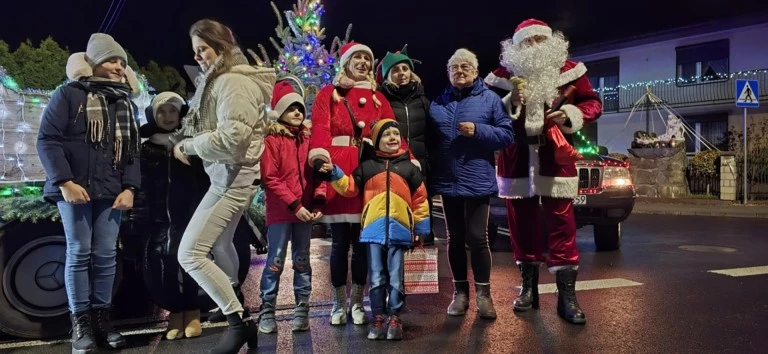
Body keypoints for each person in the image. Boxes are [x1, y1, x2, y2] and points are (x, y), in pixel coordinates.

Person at [174, 19, 275, 353]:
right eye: (196, 51)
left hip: (231, 181)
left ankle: (238, 321)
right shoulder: (221, 79)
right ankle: (240, 315)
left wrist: (189, 145)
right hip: (227, 177)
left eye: (203, 49)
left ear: (220, 46)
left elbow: (233, 139)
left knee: (190, 253)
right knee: (219, 244)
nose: (200, 56)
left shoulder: (231, 81)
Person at [37, 33, 140, 353]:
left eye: (122, 62)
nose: (119, 67)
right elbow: (48, 140)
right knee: (79, 252)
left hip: (111, 191)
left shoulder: (124, 102)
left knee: (106, 255)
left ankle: (102, 320)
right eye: (112, 60)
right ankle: (80, 323)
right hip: (74, 189)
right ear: (94, 63)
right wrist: (65, 182)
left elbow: (132, 152)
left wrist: (130, 187)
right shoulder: (68, 95)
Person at [494, 18, 602, 325]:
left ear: (550, 43)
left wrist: (569, 113)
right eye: (527, 42)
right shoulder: (503, 75)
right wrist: (508, 102)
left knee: (562, 226)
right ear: (516, 48)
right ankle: (529, 289)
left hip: (555, 154)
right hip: (516, 156)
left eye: (539, 40)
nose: (534, 47)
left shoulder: (571, 71)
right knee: (521, 224)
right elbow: (487, 108)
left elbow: (593, 103)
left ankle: (567, 297)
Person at [307, 41, 399, 326]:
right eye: (356, 57)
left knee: (361, 243)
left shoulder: (378, 98)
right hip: (337, 169)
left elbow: (390, 129)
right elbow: (321, 127)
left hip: (366, 170)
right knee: (338, 242)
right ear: (345, 62)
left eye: (366, 58)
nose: (362, 62)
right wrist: (320, 158)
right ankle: (337, 304)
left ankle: (357, 303)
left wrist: (405, 158)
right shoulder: (329, 94)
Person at [323, 118, 430, 340]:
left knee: (396, 278)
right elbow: (350, 188)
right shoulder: (367, 167)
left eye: (395, 134)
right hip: (373, 231)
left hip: (400, 232)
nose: (392, 138)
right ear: (376, 141)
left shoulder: (409, 168)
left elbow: (420, 200)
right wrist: (335, 172)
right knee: (377, 277)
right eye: (386, 135)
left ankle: (395, 317)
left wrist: (420, 228)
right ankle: (378, 316)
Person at [429, 48, 515, 320]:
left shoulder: (490, 100)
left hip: (477, 179)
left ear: (476, 71)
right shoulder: (438, 103)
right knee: (454, 239)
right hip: (448, 181)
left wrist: (479, 131)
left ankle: (484, 295)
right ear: (448, 73)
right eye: (455, 68)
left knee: (478, 238)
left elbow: (506, 135)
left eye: (466, 67)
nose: (460, 71)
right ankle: (460, 293)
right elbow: (428, 141)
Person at [132, 92, 208, 340]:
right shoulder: (147, 149)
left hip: (188, 216)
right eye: (161, 111)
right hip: (158, 219)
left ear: (181, 114)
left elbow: (204, 182)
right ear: (154, 115)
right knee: (162, 266)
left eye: (173, 111)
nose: (167, 117)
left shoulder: (191, 146)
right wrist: (140, 216)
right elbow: (141, 185)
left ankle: (193, 311)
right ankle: (175, 313)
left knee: (189, 263)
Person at [258, 80, 322, 333]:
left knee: (302, 261)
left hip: (304, 211)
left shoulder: (308, 137)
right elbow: (270, 177)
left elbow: (319, 173)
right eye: (291, 108)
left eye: (300, 107)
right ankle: (267, 310)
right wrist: (294, 204)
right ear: (280, 111)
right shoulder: (272, 138)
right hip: (282, 212)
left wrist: (317, 199)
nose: (298, 112)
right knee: (275, 260)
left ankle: (301, 309)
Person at [377, 46, 436, 245]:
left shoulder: (423, 101)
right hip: (392, 167)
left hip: (420, 168)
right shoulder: (381, 100)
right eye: (395, 70)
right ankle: (393, 272)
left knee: (422, 218)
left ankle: (421, 270)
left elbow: (433, 135)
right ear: (387, 75)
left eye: (404, 69)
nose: (401, 73)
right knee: (395, 217)